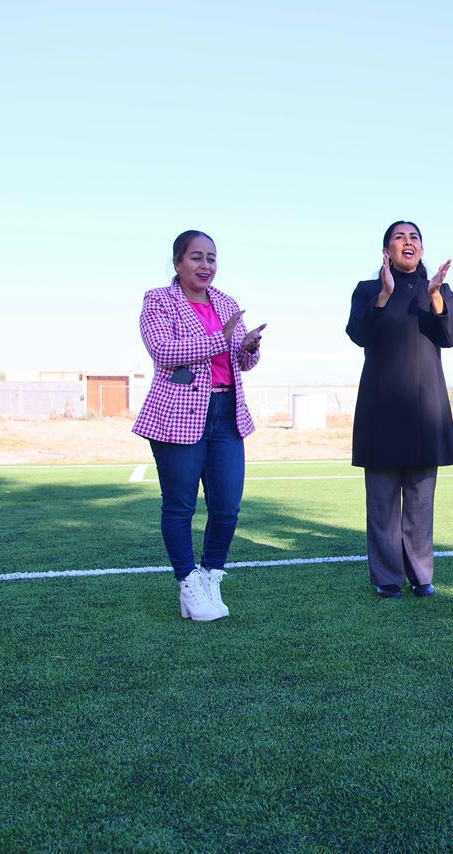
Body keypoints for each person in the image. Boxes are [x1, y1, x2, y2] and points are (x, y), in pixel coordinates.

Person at [134, 230, 265, 622]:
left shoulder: (227, 303)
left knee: (227, 507)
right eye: (196, 257)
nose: (205, 265)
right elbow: (163, 352)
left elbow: (240, 363)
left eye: (211, 258)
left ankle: (210, 576)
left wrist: (248, 348)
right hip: (178, 414)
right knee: (180, 505)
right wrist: (218, 340)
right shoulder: (159, 300)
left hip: (227, 412)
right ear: (177, 262)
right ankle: (187, 583)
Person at [346, 221, 453, 599]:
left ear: (422, 250)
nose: (407, 242)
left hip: (425, 409)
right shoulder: (368, 291)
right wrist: (384, 295)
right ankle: (386, 579)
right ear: (386, 251)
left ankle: (421, 576)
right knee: (381, 504)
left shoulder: (438, 291)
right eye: (399, 237)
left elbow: (452, 336)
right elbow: (359, 333)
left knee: (420, 502)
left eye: (414, 237)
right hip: (380, 407)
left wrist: (436, 297)